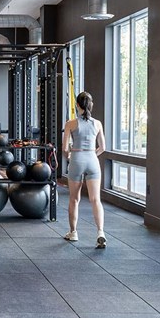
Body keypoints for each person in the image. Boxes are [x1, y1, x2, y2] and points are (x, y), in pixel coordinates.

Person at [62, 91, 106, 248]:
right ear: (90, 105)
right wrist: (91, 155)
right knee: (96, 200)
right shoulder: (98, 123)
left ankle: (73, 232)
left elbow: (65, 148)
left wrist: (70, 156)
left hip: (77, 159)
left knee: (74, 199)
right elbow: (102, 147)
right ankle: (100, 232)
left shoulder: (70, 123)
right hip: (92, 160)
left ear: (77, 105)